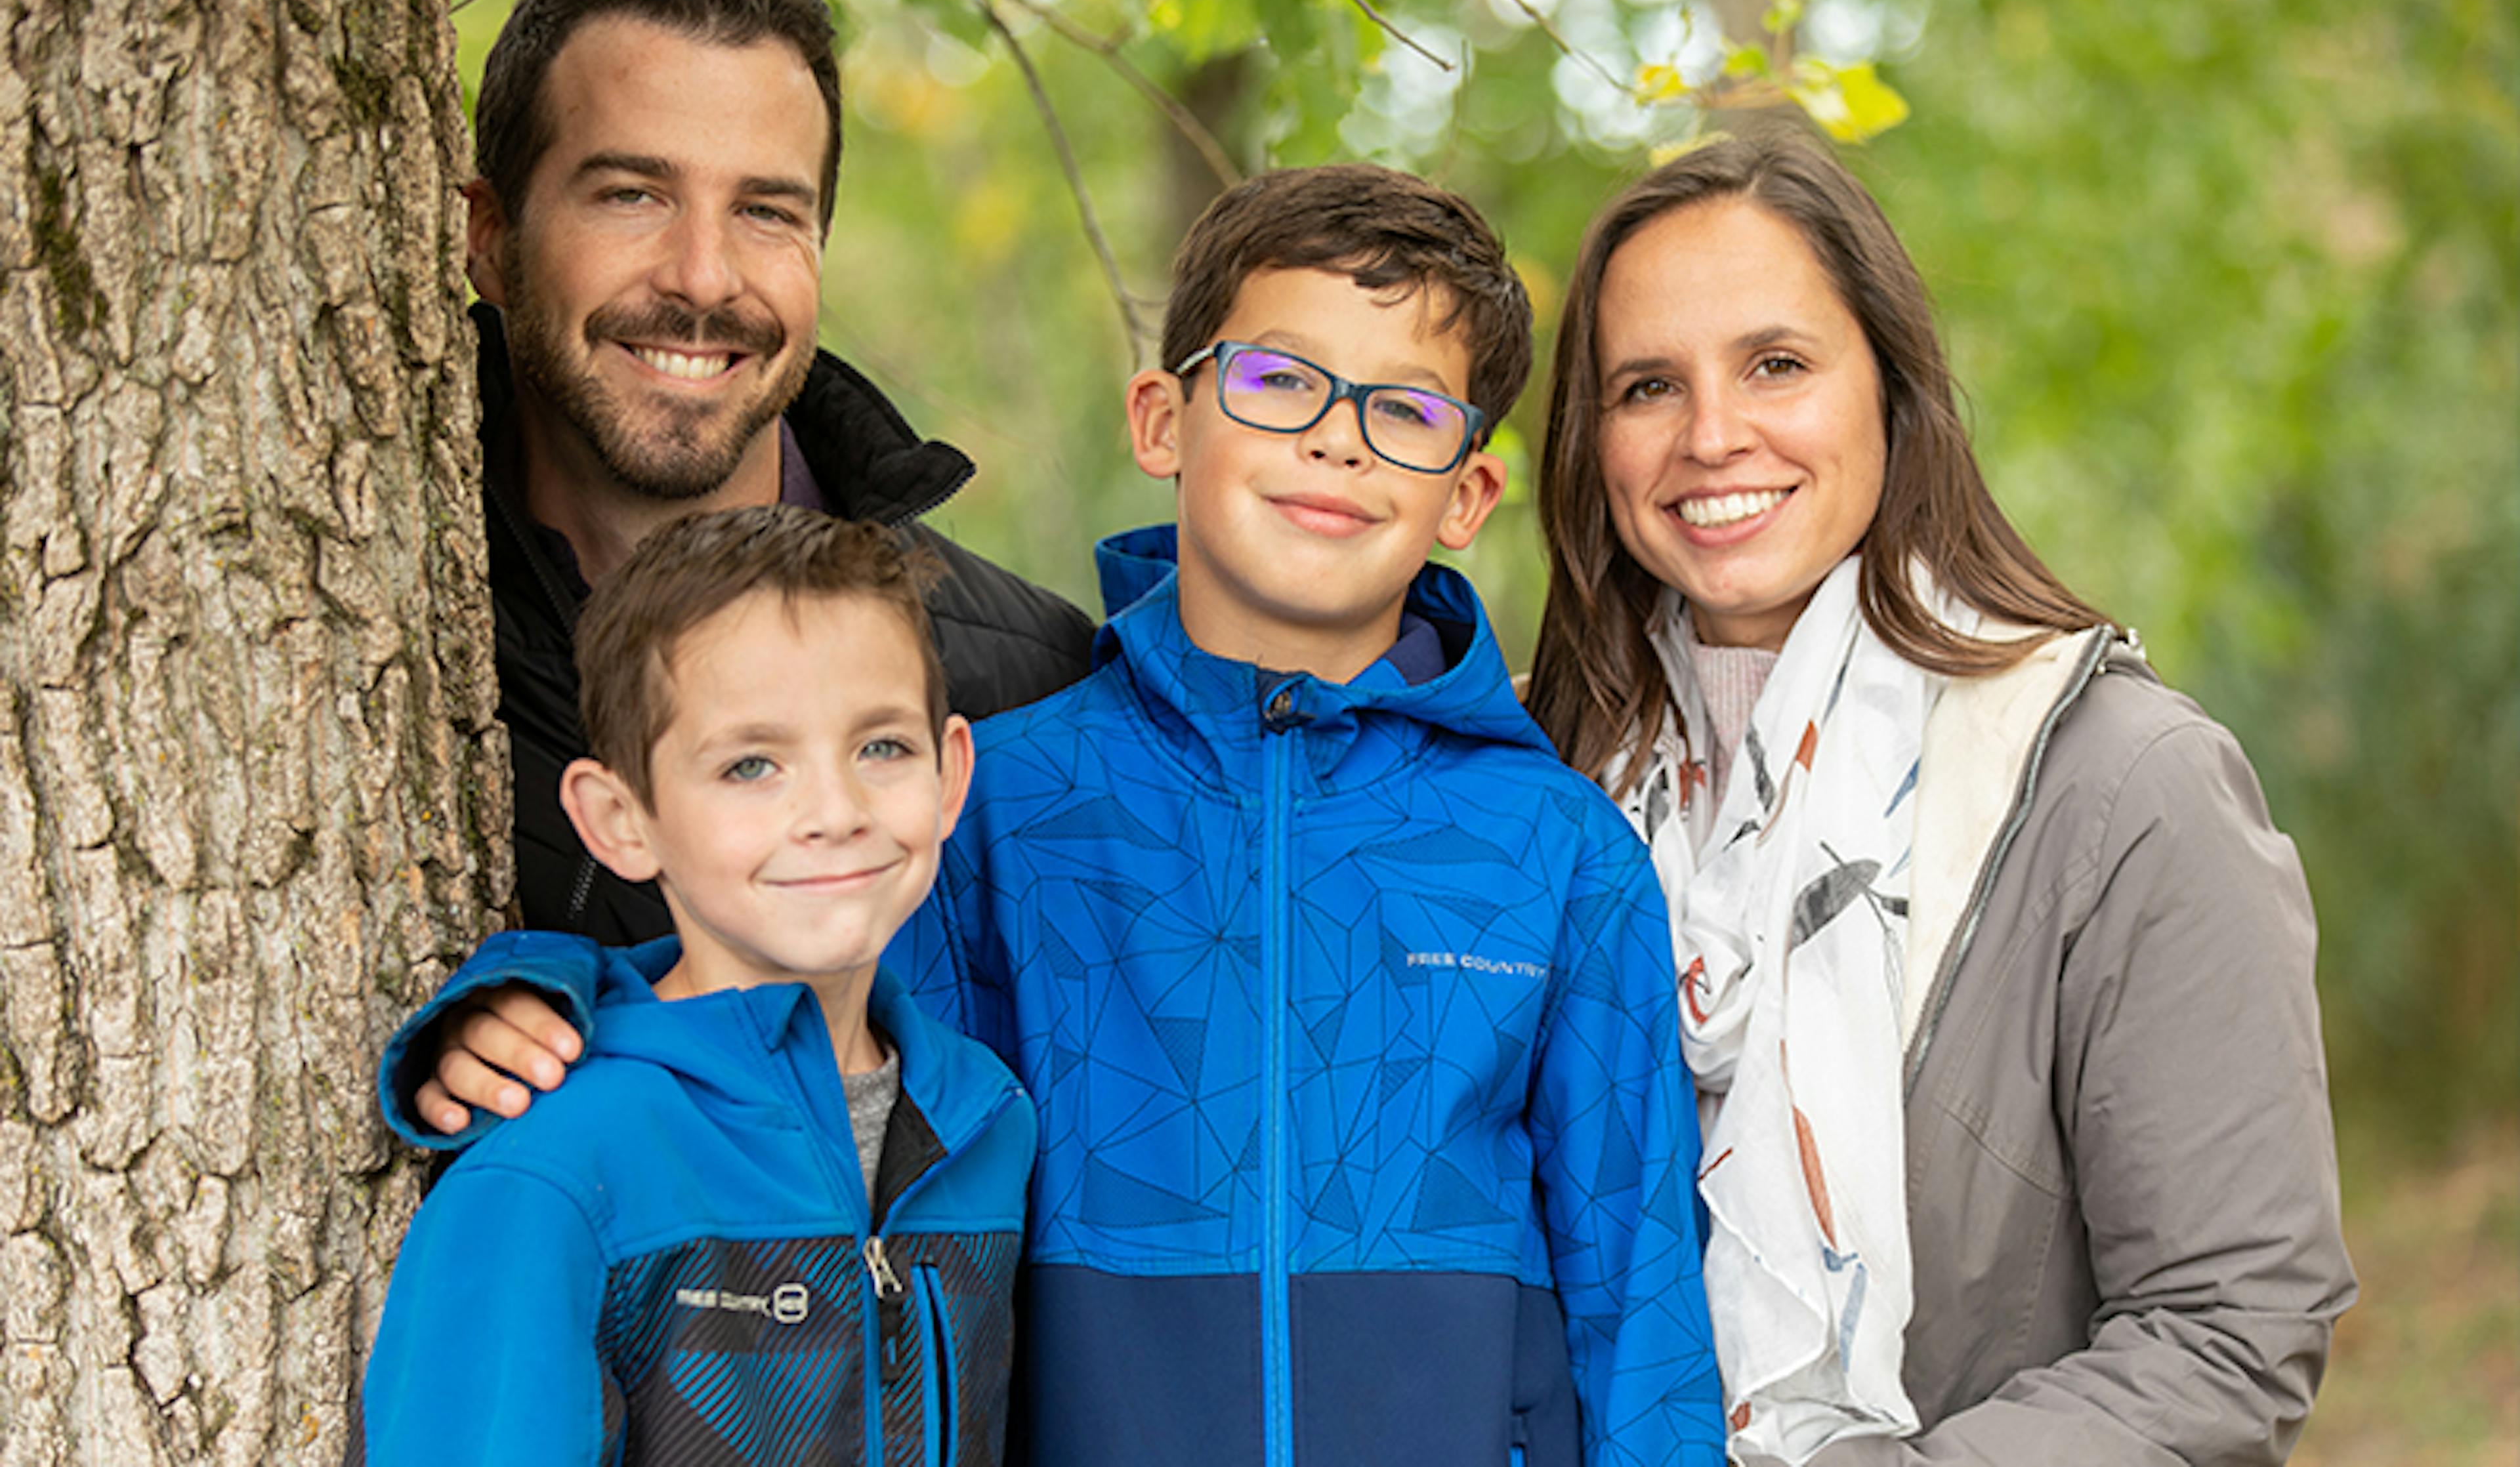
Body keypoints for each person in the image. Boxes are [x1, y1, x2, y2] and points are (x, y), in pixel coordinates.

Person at [391, 163, 1727, 1467]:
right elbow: (806, 1048)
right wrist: (548, 984)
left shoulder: (1556, 851)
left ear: (1468, 493)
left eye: (1408, 413)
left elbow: (1642, 1297)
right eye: (1278, 381)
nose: (1336, 436)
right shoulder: (1007, 799)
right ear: (1162, 420)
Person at [1522, 131, 2354, 1465]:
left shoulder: (2118, 786)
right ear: (1592, 440)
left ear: (1890, 389)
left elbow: (2228, 1328)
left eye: (1776, 364)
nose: (1713, 433)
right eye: (1647, 386)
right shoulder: (1524, 789)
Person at [356, 507, 1034, 1466]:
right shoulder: (561, 1165)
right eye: (751, 765)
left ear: (951, 773)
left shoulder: (984, 1120)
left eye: (881, 746)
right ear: (622, 819)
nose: (834, 812)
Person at [464, 0, 1093, 950]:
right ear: (493, 239)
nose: (704, 277)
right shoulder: (362, 627)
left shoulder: (1035, 688)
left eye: (765, 211)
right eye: (632, 195)